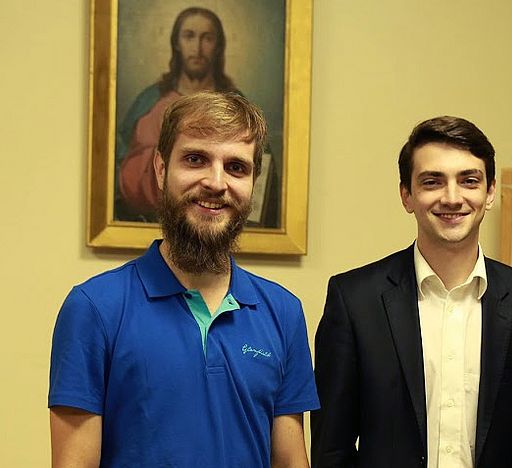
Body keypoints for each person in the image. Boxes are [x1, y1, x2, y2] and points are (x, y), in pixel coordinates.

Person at [49, 92, 319, 467]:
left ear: (253, 183)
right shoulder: (94, 309)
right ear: (161, 169)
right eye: (195, 159)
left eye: (236, 167)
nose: (216, 182)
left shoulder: (284, 313)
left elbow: (290, 461)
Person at [311, 116, 512, 467]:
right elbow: (331, 448)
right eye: (432, 181)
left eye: (469, 181)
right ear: (407, 195)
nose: (452, 197)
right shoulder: (354, 301)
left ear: (490, 192)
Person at [116, 7, 238, 219]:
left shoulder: (236, 105)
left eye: (207, 38)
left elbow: (260, 165)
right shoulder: (150, 100)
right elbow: (118, 157)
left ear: (218, 46)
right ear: (177, 43)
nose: (197, 48)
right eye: (189, 36)